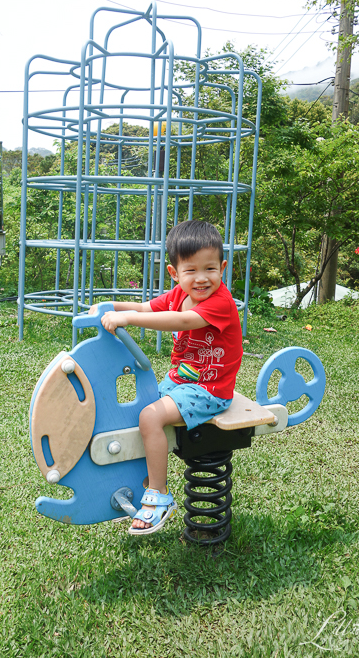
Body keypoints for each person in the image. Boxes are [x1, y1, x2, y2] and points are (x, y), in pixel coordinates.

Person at [90, 220, 243, 535]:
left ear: (222, 268)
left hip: (210, 390)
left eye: (210, 269)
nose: (201, 278)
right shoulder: (177, 294)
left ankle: (158, 497)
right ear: (175, 273)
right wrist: (111, 306)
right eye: (191, 271)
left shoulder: (220, 303)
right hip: (182, 382)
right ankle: (144, 484)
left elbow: (183, 320)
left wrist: (128, 319)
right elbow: (146, 306)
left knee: (149, 417)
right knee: (136, 413)